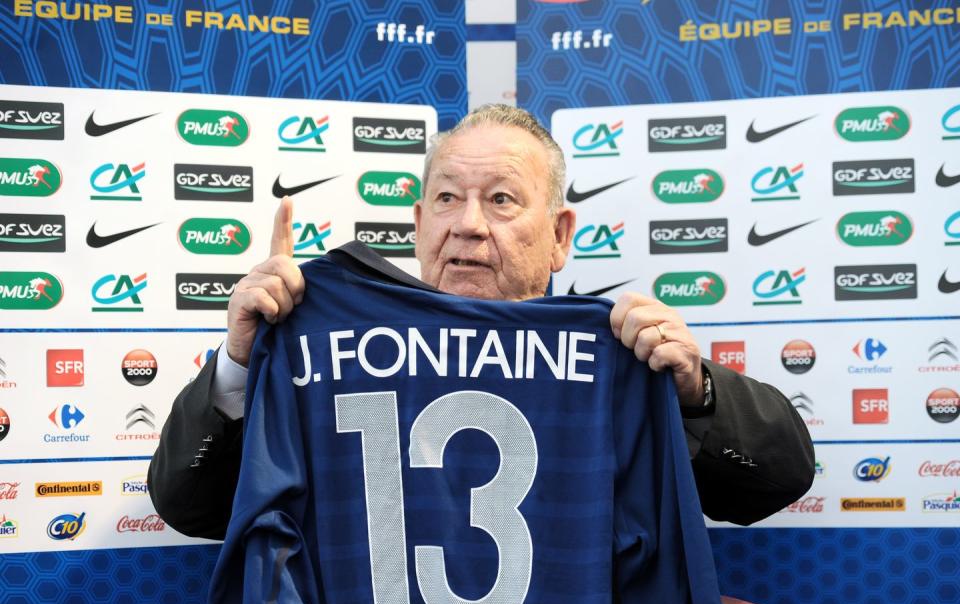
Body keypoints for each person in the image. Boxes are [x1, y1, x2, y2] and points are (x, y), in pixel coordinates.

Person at [148, 104, 814, 541]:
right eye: (446, 198)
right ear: (418, 225)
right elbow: (190, 506)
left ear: (558, 236)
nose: (467, 223)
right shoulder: (342, 354)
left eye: (500, 199)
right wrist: (239, 363)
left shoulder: (619, 355)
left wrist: (695, 390)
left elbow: (781, 476)